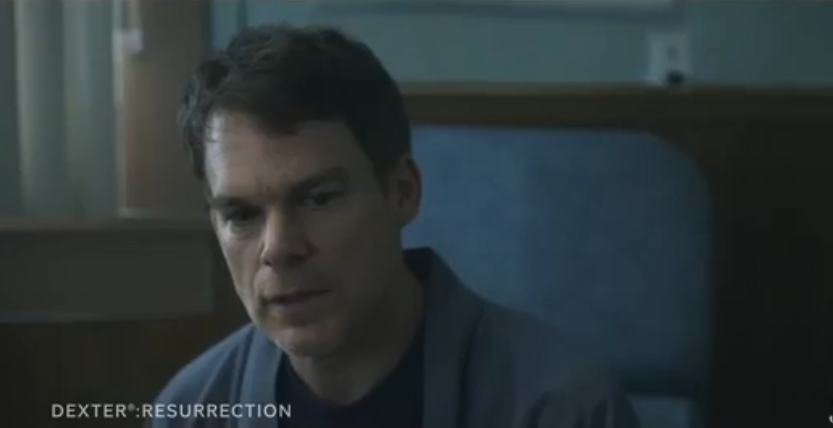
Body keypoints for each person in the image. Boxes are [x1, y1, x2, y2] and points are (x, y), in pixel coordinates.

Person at [150, 24, 639, 428]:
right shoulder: (191, 410)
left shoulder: (561, 407)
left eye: (318, 199)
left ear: (402, 192)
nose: (278, 248)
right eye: (241, 215)